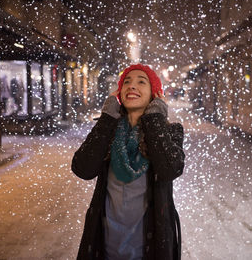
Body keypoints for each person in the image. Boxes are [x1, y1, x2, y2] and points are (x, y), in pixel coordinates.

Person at [71, 64, 185, 260]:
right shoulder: (109, 131)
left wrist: (155, 116)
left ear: (154, 94)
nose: (132, 86)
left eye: (142, 82)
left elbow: (170, 169)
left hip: (149, 250)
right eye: (126, 82)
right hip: (105, 247)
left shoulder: (169, 132)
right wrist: (107, 116)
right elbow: (83, 168)